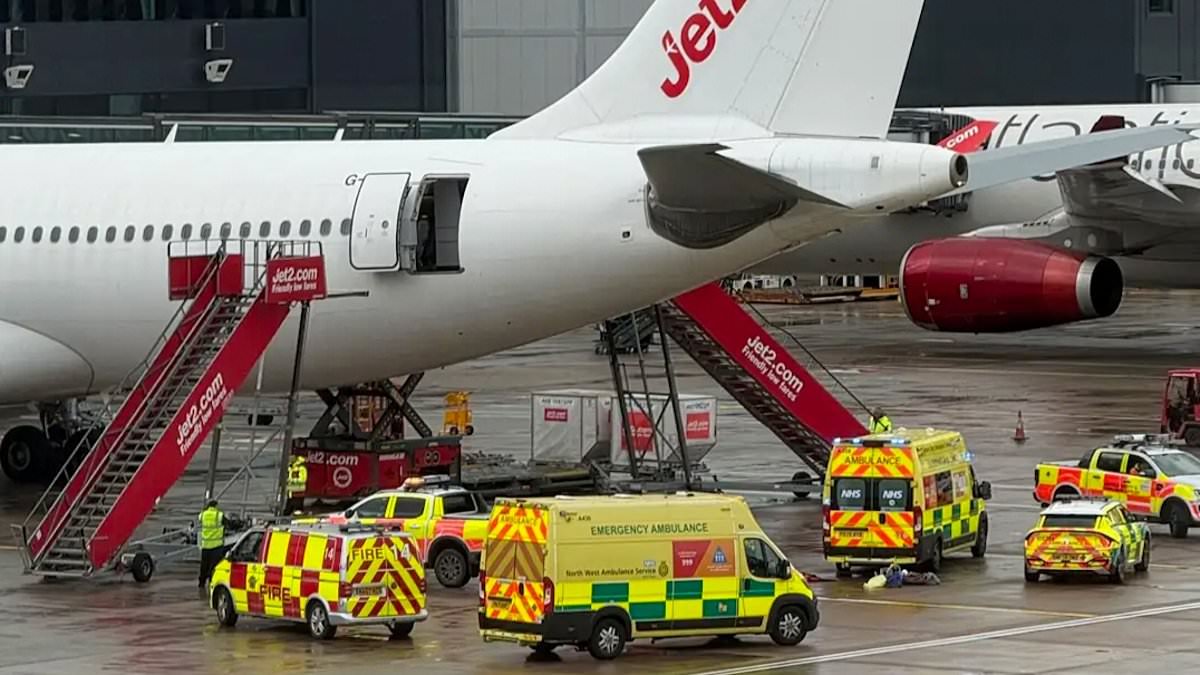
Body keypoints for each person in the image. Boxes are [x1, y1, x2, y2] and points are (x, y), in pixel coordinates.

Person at [198, 499, 233, 589]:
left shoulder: (202, 515)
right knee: (214, 565)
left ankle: (201, 583)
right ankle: (211, 581)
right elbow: (229, 524)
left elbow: (200, 522)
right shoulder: (219, 515)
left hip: (205, 545)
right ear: (216, 506)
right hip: (216, 545)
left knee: (204, 565)